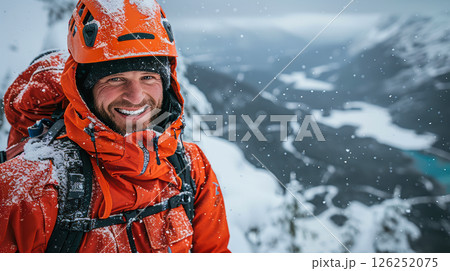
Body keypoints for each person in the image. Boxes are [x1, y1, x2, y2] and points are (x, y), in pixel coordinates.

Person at [0, 0, 230, 253]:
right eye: (115, 78)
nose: (135, 96)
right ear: (85, 89)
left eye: (148, 77)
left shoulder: (191, 167)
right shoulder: (30, 190)